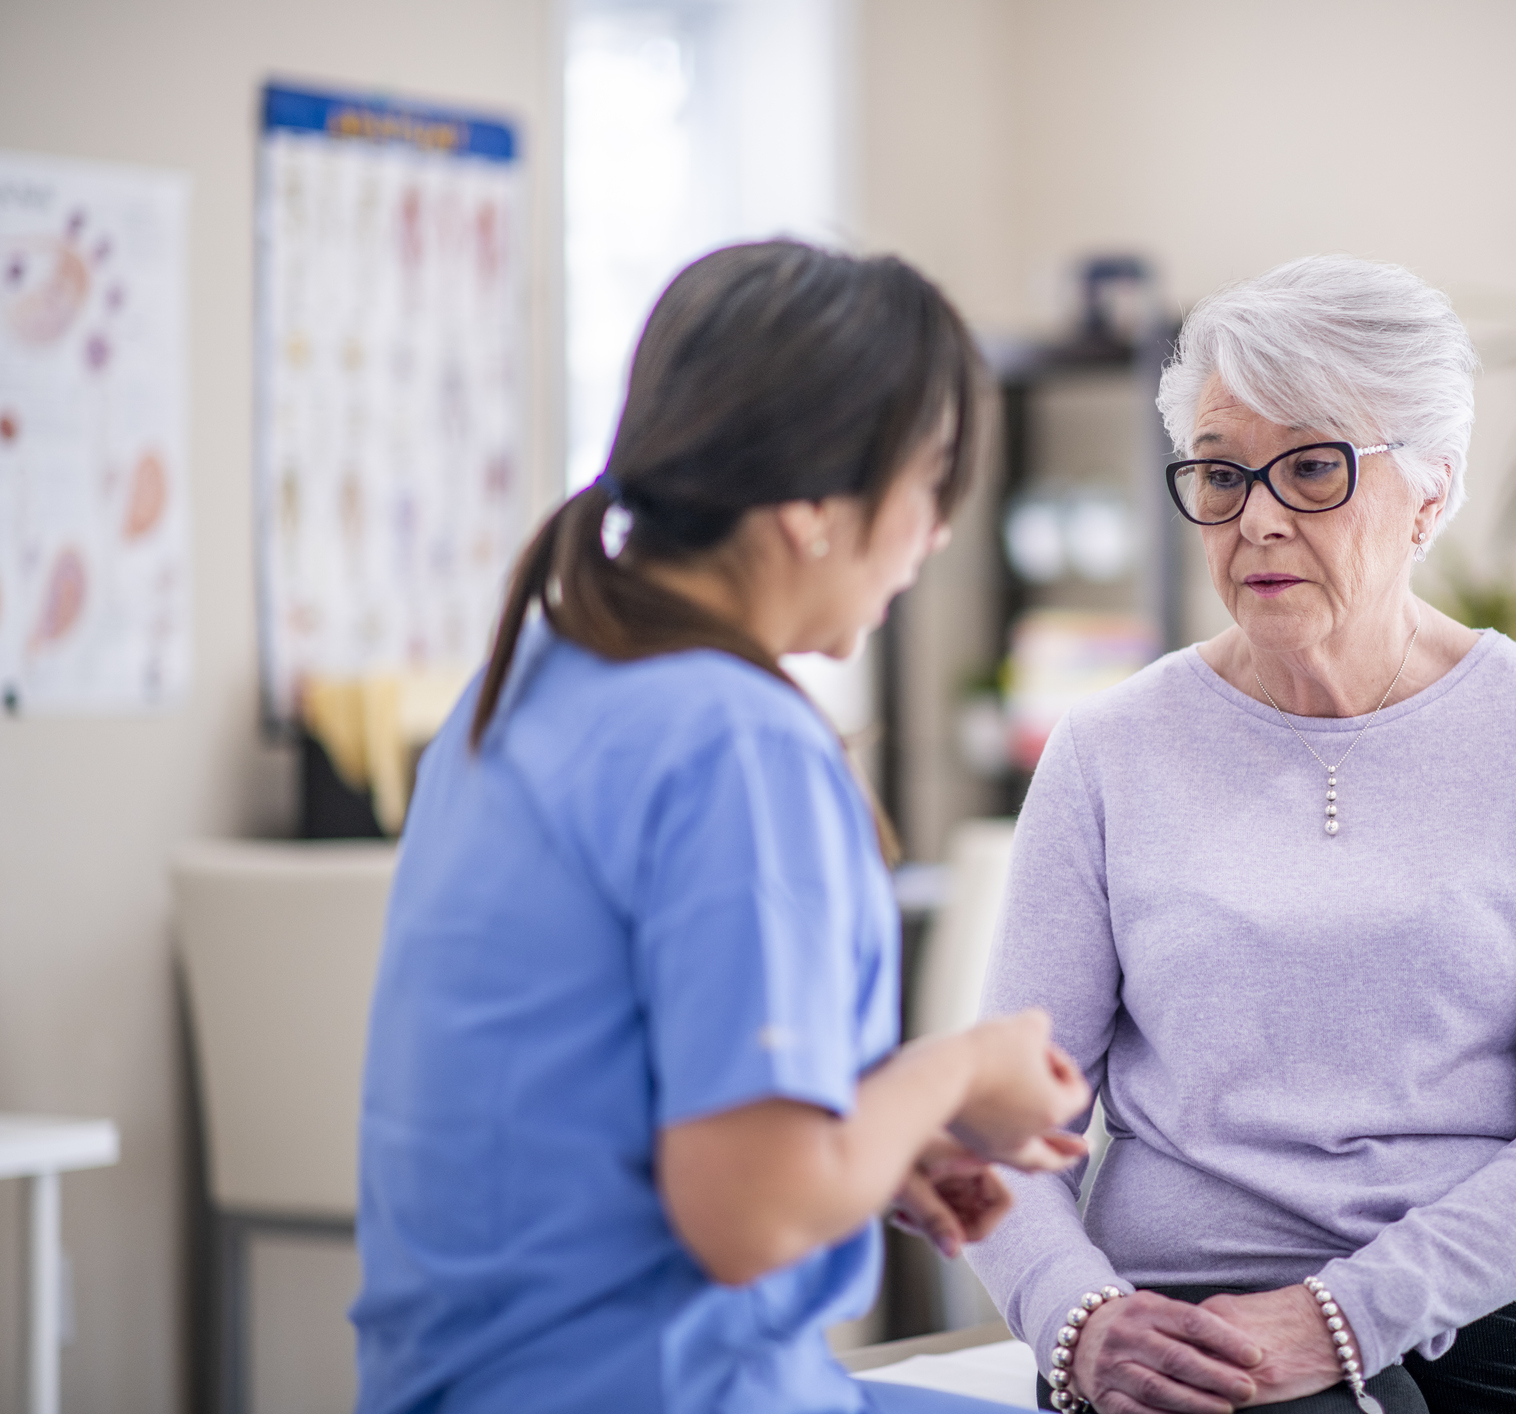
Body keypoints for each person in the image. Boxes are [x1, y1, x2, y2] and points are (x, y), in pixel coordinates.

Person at [351, 240, 1092, 1414]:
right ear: (811, 506)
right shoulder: (734, 742)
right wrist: (953, 1070)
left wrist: (867, 1146)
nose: (938, 532)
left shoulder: (522, 686)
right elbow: (750, 1218)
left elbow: (594, 1121)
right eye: (930, 479)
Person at [964, 256, 1516, 1414]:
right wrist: (1079, 1321)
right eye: (1221, 471)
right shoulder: (1107, 751)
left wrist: (1343, 1317)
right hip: (1195, 1318)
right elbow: (1006, 1126)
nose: (1256, 516)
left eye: (1311, 468)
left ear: (1432, 495)